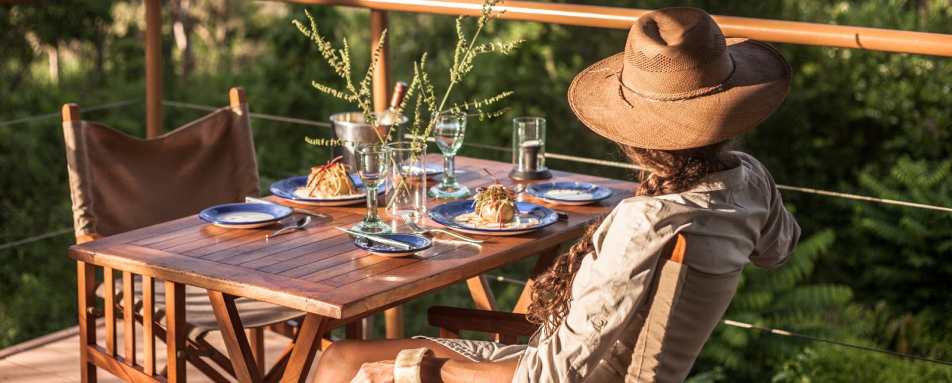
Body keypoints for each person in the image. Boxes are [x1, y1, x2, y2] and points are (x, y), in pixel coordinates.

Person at [312, 7, 801, 383]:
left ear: (633, 133)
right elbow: (777, 251)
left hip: (558, 373)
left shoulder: (643, 223)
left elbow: (549, 375)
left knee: (339, 360)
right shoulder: (748, 180)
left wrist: (426, 369)